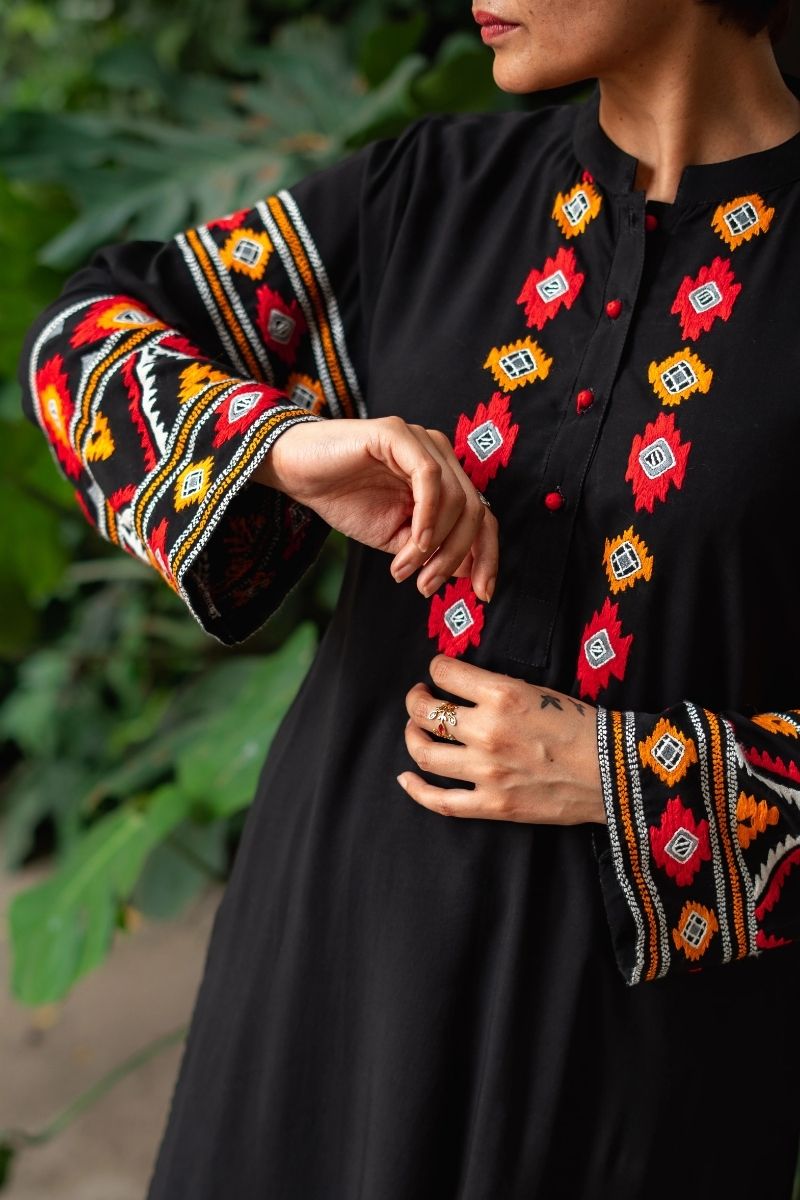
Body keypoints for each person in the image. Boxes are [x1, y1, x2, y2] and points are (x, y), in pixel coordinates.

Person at [18, 0, 800, 1195]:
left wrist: (628, 776)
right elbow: (80, 344)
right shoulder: (428, 196)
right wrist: (280, 447)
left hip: (627, 1067)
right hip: (322, 983)